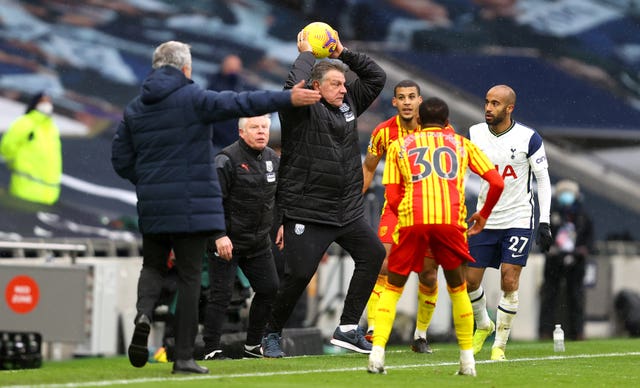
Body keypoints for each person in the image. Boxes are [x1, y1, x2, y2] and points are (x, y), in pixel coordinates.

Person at [111, 40, 320, 374]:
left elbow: (120, 158)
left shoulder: (136, 107)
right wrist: (288, 98)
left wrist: (148, 180)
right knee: (190, 278)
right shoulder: (194, 98)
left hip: (153, 203)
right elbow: (241, 101)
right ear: (186, 69)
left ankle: (144, 313)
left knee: (152, 266)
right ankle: (183, 358)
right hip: (191, 205)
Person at [260, 27, 387, 358]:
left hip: (346, 209)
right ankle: (270, 333)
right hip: (308, 211)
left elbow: (376, 77)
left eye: (344, 84)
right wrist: (306, 55)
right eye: (336, 83)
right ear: (315, 86)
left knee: (373, 254)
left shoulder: (349, 104)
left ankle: (346, 328)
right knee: (299, 274)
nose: (344, 90)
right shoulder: (299, 108)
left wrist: (342, 53)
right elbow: (291, 87)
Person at [367, 97, 504, 376]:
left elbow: (391, 194)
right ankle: (467, 361)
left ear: (418, 120)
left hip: (413, 221)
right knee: (457, 288)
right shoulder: (461, 144)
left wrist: (406, 216)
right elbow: (497, 181)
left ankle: (377, 354)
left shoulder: (399, 146)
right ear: (446, 121)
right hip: (450, 223)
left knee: (393, 287)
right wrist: (484, 214)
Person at [466, 84, 553, 361]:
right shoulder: (474, 133)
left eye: (495, 104)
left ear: (509, 108)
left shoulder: (529, 138)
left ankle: (499, 346)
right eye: (487, 102)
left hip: (518, 217)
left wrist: (544, 221)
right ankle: (484, 325)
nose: (488, 108)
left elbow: (543, 179)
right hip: (485, 217)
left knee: (509, 279)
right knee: (469, 281)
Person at [362, 79, 439, 353]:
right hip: (395, 207)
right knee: (382, 265)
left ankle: (420, 335)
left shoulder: (438, 129)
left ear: (420, 101)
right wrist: (355, 200)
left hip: (430, 210)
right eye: (401, 98)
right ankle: (373, 330)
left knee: (428, 275)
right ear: (394, 102)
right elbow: (369, 167)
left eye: (411, 97)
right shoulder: (383, 132)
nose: (407, 102)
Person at [202, 114, 281, 360]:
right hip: (227, 242)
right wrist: (218, 235)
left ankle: (252, 345)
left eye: (264, 127)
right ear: (241, 132)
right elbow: (210, 202)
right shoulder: (225, 160)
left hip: (258, 242)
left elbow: (280, 197)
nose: (261, 132)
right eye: (254, 127)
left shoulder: (271, 159)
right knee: (221, 295)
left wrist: (283, 224)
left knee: (269, 289)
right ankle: (211, 349)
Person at [538, 179, 593, 341]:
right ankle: (545, 332)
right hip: (555, 261)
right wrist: (549, 249)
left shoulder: (583, 216)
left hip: (576, 261)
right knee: (549, 297)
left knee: (576, 297)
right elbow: (543, 236)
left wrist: (583, 250)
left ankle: (578, 331)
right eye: (563, 194)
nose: (566, 197)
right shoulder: (550, 214)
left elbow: (589, 239)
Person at [0, 91, 61, 205]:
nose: (47, 105)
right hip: (25, 191)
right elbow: (7, 147)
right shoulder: (26, 122)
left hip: (49, 195)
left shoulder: (52, 128)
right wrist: (16, 162)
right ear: (36, 103)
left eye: (49, 101)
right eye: (43, 101)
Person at [207, 54, 258, 150]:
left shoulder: (243, 85)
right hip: (215, 139)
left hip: (235, 140)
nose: (232, 69)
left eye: (234, 66)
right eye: (229, 65)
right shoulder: (214, 83)